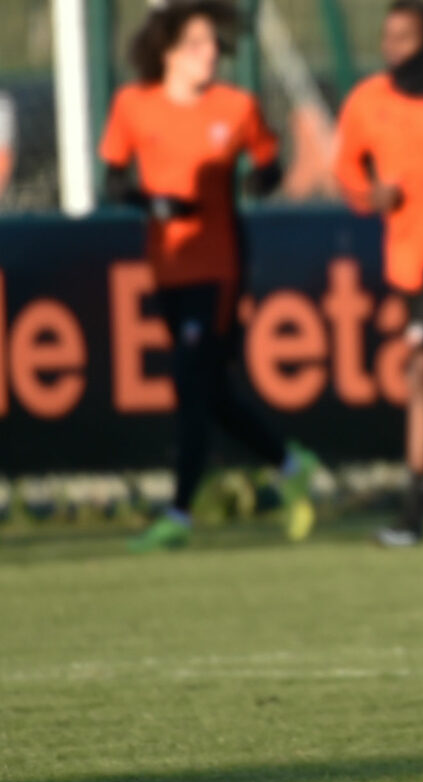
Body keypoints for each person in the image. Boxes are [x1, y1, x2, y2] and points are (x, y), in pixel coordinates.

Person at [101, 0, 320, 552]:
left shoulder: (237, 107)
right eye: (196, 44)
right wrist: (154, 202)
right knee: (212, 392)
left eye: (213, 44)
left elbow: (269, 167)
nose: (210, 55)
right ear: (168, 51)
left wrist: (259, 180)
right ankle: (291, 464)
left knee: (191, 386)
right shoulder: (134, 105)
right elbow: (114, 181)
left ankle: (178, 512)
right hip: (167, 266)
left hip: (219, 267)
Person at [333, 0, 423, 547]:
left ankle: (414, 512)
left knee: (421, 375)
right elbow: (346, 171)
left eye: (405, 38)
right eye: (388, 38)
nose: (393, 49)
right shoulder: (367, 101)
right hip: (410, 269)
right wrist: (370, 194)